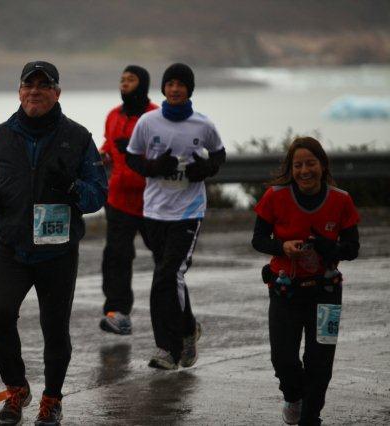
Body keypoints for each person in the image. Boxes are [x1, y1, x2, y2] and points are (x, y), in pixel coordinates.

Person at [0, 61, 107, 426]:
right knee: (0, 318)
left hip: (57, 251)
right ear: (19, 92)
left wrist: (74, 188)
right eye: (28, 85)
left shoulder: (78, 137)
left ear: (57, 93)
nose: (35, 91)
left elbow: (98, 194)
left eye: (43, 85)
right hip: (11, 247)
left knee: (55, 328)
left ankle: (52, 399)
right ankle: (16, 390)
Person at [252, 137, 360, 425]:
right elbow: (258, 239)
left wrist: (329, 247)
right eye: (297, 165)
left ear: (322, 165)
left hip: (326, 293)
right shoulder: (275, 196)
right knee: (283, 360)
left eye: (310, 163)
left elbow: (352, 249)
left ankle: (310, 418)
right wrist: (282, 247)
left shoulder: (341, 200)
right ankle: (293, 396)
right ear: (291, 169)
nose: (304, 171)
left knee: (320, 363)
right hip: (285, 291)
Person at [126, 63, 226, 370]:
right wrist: (153, 167)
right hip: (155, 212)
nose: (175, 89)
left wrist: (205, 169)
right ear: (164, 88)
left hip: (188, 212)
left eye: (181, 84)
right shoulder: (148, 122)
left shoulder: (202, 125)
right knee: (169, 277)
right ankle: (188, 330)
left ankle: (167, 349)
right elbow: (132, 156)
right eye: (170, 84)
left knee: (167, 277)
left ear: (189, 90)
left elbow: (219, 154)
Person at [99, 65, 159, 335]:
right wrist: (103, 155)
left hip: (153, 202)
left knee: (165, 259)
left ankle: (174, 312)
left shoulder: (156, 116)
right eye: (122, 79)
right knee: (116, 257)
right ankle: (118, 313)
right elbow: (109, 146)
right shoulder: (113, 115)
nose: (124, 83)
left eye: (131, 80)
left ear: (142, 84)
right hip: (119, 199)